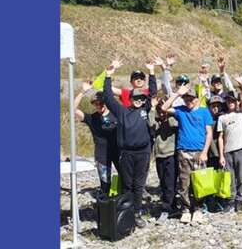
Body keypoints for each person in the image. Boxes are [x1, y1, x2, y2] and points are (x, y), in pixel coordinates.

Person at [102, 61, 156, 227]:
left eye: (141, 98)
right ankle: (127, 213)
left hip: (143, 152)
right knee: (127, 185)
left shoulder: (145, 110)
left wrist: (152, 72)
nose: (139, 100)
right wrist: (108, 75)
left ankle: (137, 213)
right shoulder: (122, 111)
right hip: (126, 153)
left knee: (139, 185)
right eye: (136, 98)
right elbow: (108, 98)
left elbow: (153, 92)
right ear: (130, 99)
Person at [161, 84, 213, 224]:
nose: (188, 101)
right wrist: (177, 94)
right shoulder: (181, 111)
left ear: (197, 98)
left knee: (199, 182)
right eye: (186, 99)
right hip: (184, 151)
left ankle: (197, 209)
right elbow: (164, 108)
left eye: (191, 99)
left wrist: (205, 152)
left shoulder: (204, 112)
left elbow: (209, 133)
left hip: (199, 152)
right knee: (184, 182)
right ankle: (185, 209)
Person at [73, 82, 119, 195]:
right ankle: (106, 206)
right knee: (105, 183)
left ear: (106, 103)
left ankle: (124, 203)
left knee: (125, 178)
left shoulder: (117, 114)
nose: (98, 105)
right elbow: (73, 109)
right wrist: (82, 92)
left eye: (101, 103)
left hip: (118, 152)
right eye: (95, 103)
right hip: (101, 155)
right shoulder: (92, 118)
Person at [217, 76, 242, 212]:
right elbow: (220, 137)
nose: (231, 103)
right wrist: (221, 155)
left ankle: (240, 200)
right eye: (228, 101)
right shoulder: (222, 117)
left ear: (236, 103)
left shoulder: (241, 113)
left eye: (233, 101)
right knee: (230, 177)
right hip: (228, 151)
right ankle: (230, 200)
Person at [148, 97, 178, 223]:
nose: (162, 111)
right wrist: (153, 108)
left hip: (170, 154)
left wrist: (168, 112)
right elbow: (151, 124)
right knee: (163, 183)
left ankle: (167, 208)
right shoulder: (156, 121)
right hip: (159, 155)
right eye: (160, 109)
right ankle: (172, 206)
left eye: (163, 108)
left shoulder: (172, 120)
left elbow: (173, 124)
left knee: (170, 183)